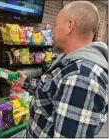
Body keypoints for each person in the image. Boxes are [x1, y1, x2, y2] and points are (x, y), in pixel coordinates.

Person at [14, 1, 108, 138]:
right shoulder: (69, 60)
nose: (51, 31)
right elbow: (52, 90)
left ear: (70, 25)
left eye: (55, 25)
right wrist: (26, 82)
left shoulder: (81, 77)